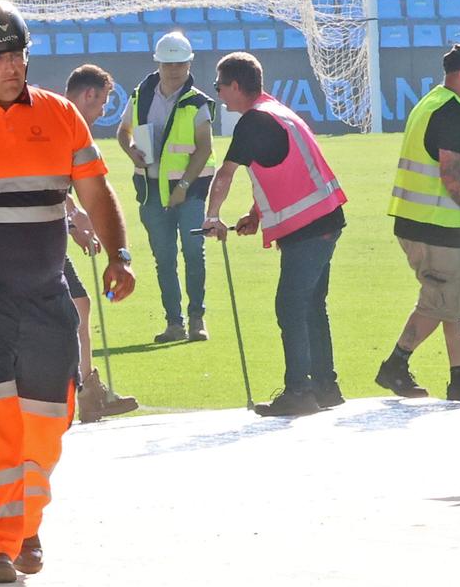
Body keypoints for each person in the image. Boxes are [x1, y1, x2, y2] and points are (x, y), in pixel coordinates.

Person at [0, 0, 136, 584]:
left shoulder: (62, 116)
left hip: (46, 295)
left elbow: (95, 194)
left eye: (19, 55)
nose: (12, 67)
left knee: (46, 419)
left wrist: (119, 255)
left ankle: (27, 526)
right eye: (0, 58)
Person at [202, 51, 348, 418]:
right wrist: (256, 214)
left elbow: (225, 174)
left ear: (236, 85)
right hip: (325, 218)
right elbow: (282, 170)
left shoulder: (253, 122)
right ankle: (325, 387)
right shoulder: (277, 112)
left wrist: (212, 217)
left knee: (291, 307)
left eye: (220, 86)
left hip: (308, 228)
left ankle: (300, 390)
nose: (218, 94)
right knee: (312, 306)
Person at [378, 43, 460, 403]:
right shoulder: (451, 112)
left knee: (459, 304)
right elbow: (450, 173)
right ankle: (395, 364)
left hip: (434, 223)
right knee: (440, 302)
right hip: (432, 225)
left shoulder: (435, 102)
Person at [116, 29, 214, 343]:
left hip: (191, 189)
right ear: (158, 64)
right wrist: (131, 150)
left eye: (180, 64)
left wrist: (184, 185)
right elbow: (123, 132)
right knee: (165, 258)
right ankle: (175, 323)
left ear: (189, 64)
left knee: (194, 252)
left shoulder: (198, 102)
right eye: (169, 64)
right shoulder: (139, 94)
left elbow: (204, 148)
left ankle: (197, 319)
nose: (174, 69)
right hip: (151, 189)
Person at [63, 63, 139, 424]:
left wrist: (75, 219)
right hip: (27, 243)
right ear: (89, 94)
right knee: (72, 309)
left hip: (45, 240)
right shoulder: (63, 126)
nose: (104, 111)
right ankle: (78, 391)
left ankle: (88, 392)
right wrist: (74, 219)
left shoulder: (65, 127)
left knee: (80, 305)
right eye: (104, 101)